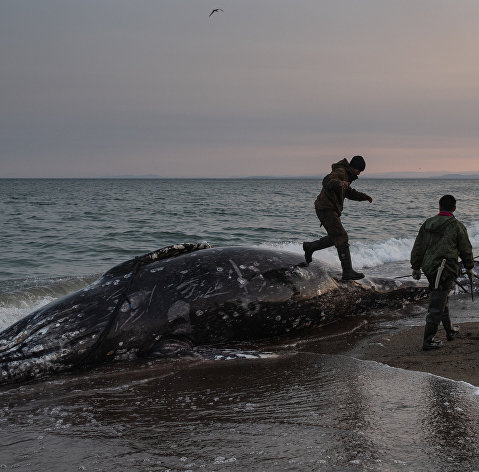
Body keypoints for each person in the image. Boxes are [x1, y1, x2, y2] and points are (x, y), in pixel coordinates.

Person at [410, 194, 474, 351]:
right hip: (446, 269)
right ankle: (428, 340)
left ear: (439, 207)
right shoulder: (457, 226)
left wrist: (416, 267)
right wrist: (470, 267)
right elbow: (466, 249)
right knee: (437, 304)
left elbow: (418, 247)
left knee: (442, 298)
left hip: (429, 268)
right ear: (454, 208)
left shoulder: (428, 223)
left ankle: (449, 330)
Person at [302, 155, 373, 280]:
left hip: (328, 209)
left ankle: (310, 247)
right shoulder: (340, 172)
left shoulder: (346, 175)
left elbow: (348, 192)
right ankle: (347, 272)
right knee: (341, 237)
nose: (359, 173)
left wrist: (364, 196)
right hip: (325, 208)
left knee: (335, 237)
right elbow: (327, 181)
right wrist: (339, 183)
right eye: (359, 170)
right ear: (353, 167)